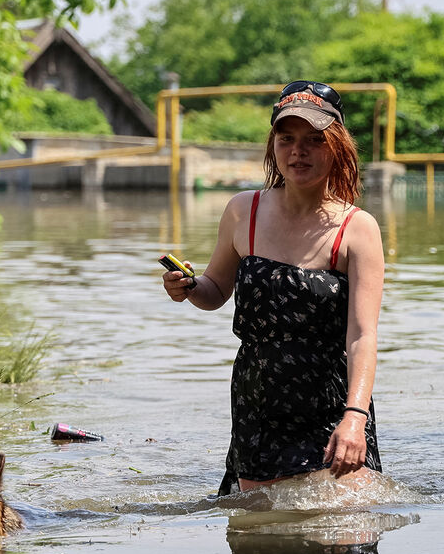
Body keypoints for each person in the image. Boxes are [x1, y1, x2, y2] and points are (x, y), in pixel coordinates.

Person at [162, 80, 385, 495]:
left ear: (336, 147)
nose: (298, 151)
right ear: (273, 145)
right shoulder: (241, 211)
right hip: (259, 402)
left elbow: (362, 335)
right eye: (287, 139)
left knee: (348, 542)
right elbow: (215, 290)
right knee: (260, 540)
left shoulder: (358, 228)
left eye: (313, 140)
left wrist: (355, 416)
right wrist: (189, 286)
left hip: (332, 402)